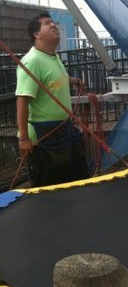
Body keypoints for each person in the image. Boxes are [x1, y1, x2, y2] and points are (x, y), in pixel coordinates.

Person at [15, 12, 89, 187]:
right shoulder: (32, 61)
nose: (54, 25)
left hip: (64, 128)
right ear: (37, 34)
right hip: (44, 136)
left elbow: (53, 79)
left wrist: (74, 81)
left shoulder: (52, 56)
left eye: (53, 22)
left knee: (78, 178)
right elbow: (22, 100)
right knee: (50, 188)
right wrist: (24, 138)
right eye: (48, 23)